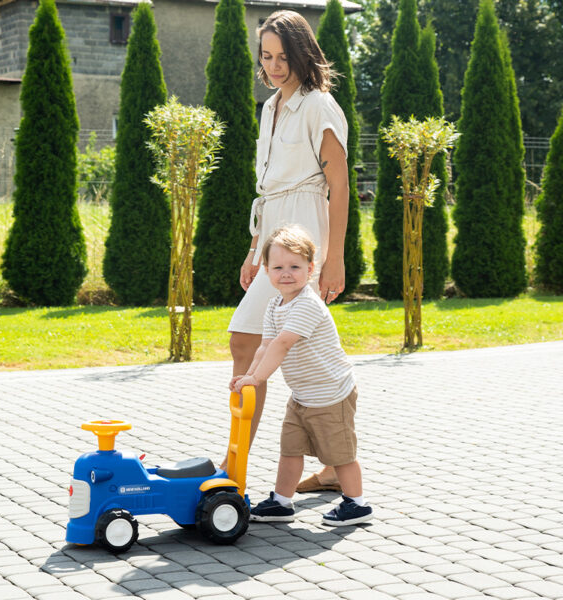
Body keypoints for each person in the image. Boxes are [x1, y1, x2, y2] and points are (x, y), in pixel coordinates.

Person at [227, 9, 348, 492]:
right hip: (272, 231)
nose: (274, 66)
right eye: (266, 56)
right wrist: (254, 250)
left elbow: (338, 186)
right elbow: (267, 187)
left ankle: (232, 469)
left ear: (301, 53)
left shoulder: (319, 105)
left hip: (305, 231)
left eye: (282, 56)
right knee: (305, 357)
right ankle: (337, 468)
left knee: (249, 343)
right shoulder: (270, 107)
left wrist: (334, 257)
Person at [230, 225, 372, 526]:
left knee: (341, 453)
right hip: (303, 396)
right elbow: (265, 346)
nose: (286, 273)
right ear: (266, 271)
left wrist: (256, 380)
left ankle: (356, 504)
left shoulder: (307, 305)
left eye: (295, 267)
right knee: (290, 449)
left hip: (332, 394)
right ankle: (282, 502)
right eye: (278, 267)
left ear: (310, 269)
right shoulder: (273, 306)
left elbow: (282, 344)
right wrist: (249, 377)